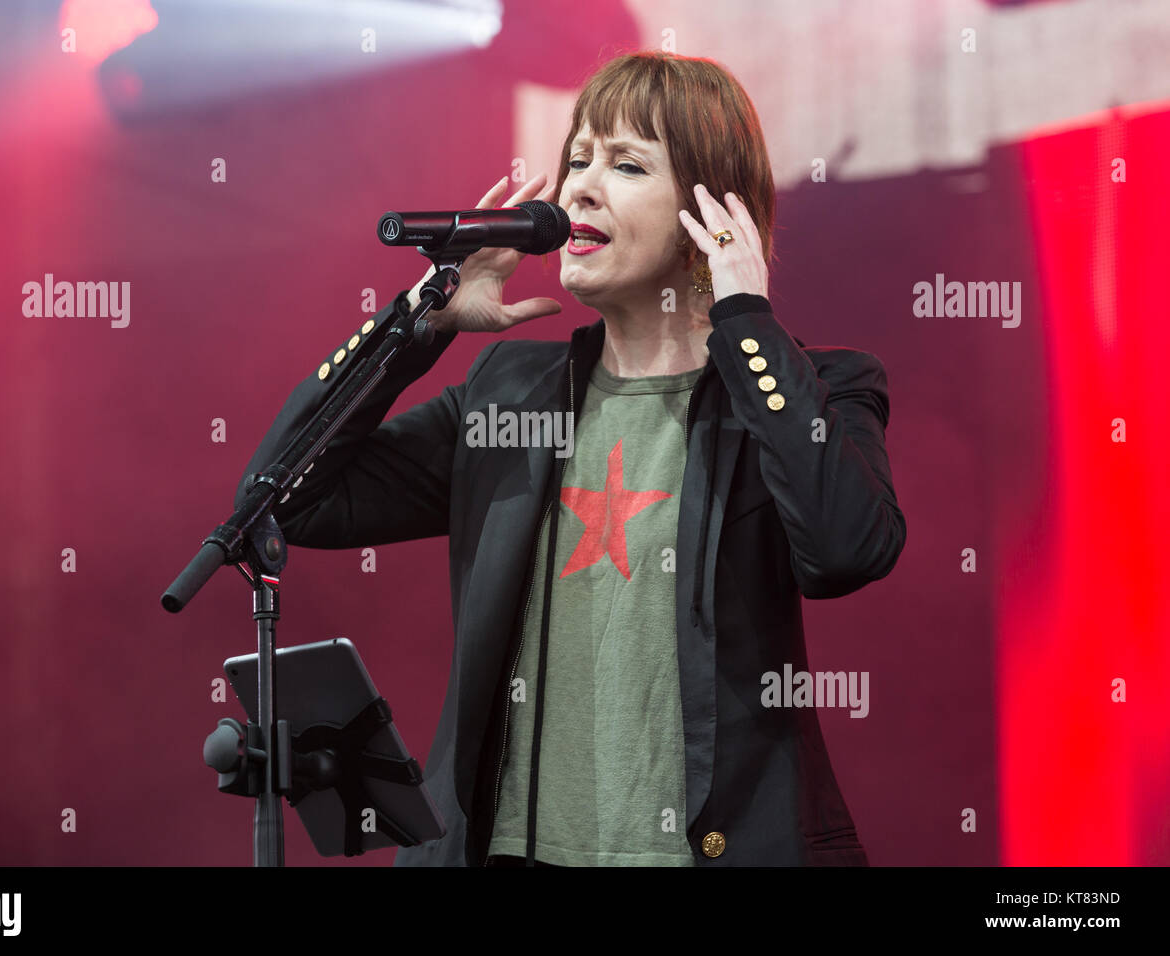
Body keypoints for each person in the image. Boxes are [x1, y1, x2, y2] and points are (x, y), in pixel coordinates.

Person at [234, 50, 905, 867]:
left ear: (711, 214)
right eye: (577, 158)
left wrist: (748, 321)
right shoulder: (511, 393)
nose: (579, 186)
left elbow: (844, 551)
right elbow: (291, 498)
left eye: (626, 164)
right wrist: (416, 327)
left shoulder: (816, 387)